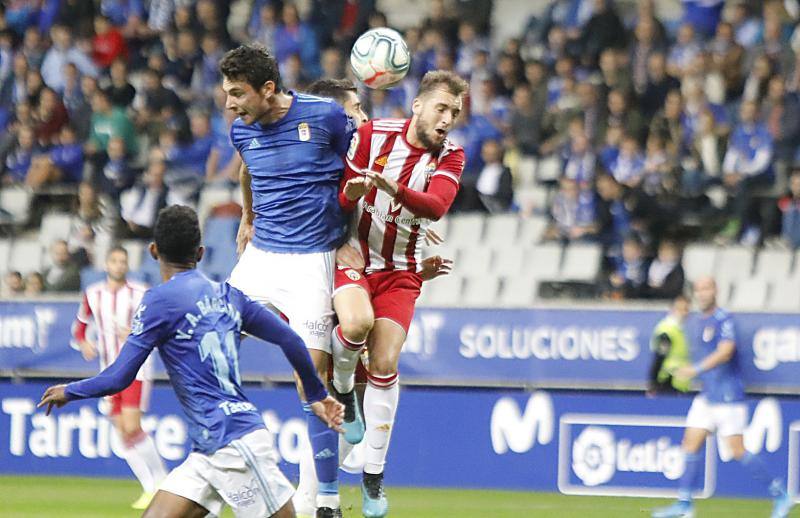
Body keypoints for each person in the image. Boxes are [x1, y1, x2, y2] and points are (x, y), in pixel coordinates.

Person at [39, 205, 344, 518]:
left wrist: (70, 390)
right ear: (200, 253)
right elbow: (291, 339)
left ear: (153, 251)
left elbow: (119, 376)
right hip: (208, 449)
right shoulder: (230, 295)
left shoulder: (158, 301)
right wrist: (317, 395)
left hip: (236, 444)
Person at [220, 45, 356, 518]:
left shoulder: (326, 118)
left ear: (269, 89)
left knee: (310, 383)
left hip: (310, 263)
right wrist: (247, 216)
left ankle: (322, 500)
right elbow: (246, 169)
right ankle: (220, 477)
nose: (230, 104)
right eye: (226, 93)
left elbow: (357, 171)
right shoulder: (242, 129)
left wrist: (354, 236)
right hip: (259, 259)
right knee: (209, 342)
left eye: (237, 94)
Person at [333, 70, 468, 517]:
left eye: (455, 113)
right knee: (354, 326)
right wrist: (348, 204)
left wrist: (393, 188)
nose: (447, 119)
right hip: (355, 260)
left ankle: (373, 478)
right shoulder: (373, 136)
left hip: (401, 273)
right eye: (442, 108)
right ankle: (345, 396)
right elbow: (338, 198)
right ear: (417, 106)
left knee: (386, 362)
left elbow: (436, 206)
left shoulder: (451, 155)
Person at [652, 277, 794, 518]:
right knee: (690, 443)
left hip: (728, 395)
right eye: (699, 289)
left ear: (715, 291)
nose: (702, 293)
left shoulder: (724, 319)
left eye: (706, 288)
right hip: (707, 396)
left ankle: (781, 494)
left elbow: (726, 351)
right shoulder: (697, 322)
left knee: (737, 450)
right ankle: (685, 504)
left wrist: (695, 370)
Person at [72, 245, 167, 510]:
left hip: (137, 368)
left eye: (123, 261)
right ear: (106, 264)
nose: (119, 265)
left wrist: (135, 333)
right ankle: (150, 486)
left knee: (132, 427)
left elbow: (154, 325)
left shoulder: (140, 293)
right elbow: (80, 327)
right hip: (108, 370)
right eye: (114, 260)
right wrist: (85, 344)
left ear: (127, 265)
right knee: (122, 432)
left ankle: (163, 481)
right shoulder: (93, 294)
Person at [647, 295, 691, 395]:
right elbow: (659, 357)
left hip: (678, 383)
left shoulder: (678, 330)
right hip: (667, 383)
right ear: (672, 309)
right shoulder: (667, 331)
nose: (684, 313)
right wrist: (653, 384)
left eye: (686, 309)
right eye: (680, 309)